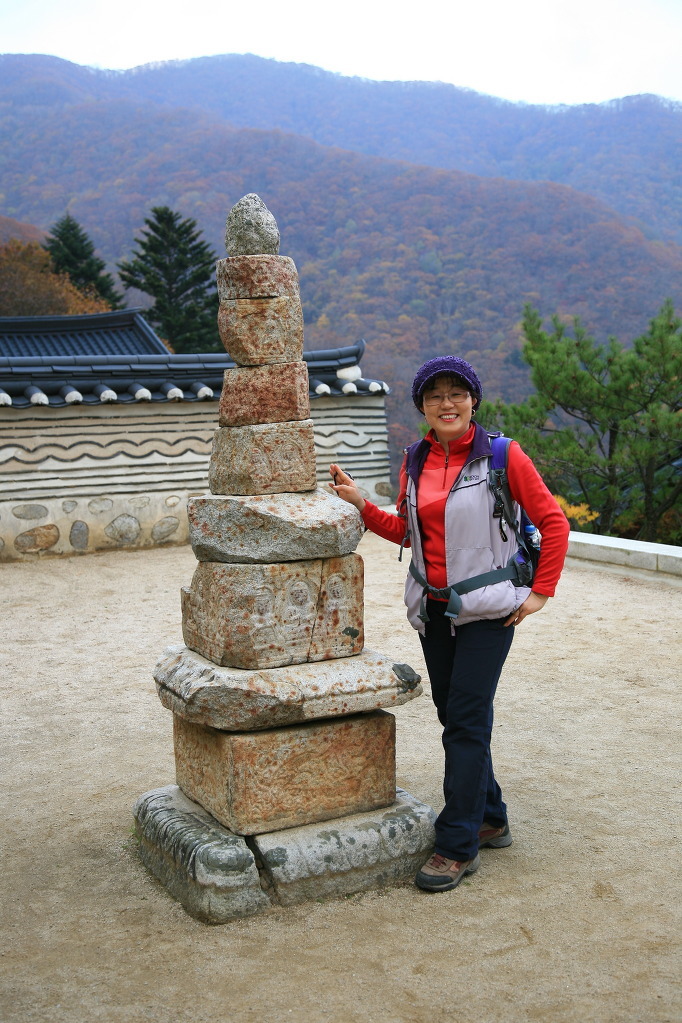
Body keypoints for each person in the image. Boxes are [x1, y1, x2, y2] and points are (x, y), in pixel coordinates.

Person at [329, 355, 569, 893]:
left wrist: (540, 593)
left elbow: (554, 522)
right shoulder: (415, 459)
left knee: (464, 719)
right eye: (434, 395)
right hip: (434, 609)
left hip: (488, 609)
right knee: (456, 717)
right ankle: (491, 817)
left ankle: (457, 843)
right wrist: (361, 504)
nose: (446, 403)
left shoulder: (502, 456)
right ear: (422, 406)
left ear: (473, 401)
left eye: (456, 393)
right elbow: (407, 532)